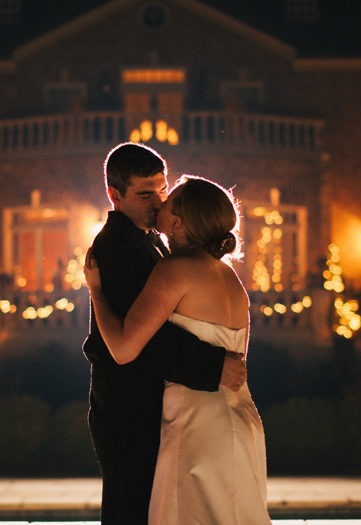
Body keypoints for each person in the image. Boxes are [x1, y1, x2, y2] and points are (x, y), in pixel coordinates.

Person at [86, 174, 269, 524]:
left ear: (178, 221)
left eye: (168, 198)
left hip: (197, 424)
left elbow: (123, 349)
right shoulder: (229, 277)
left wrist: (97, 293)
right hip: (240, 419)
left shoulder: (174, 270)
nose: (160, 201)